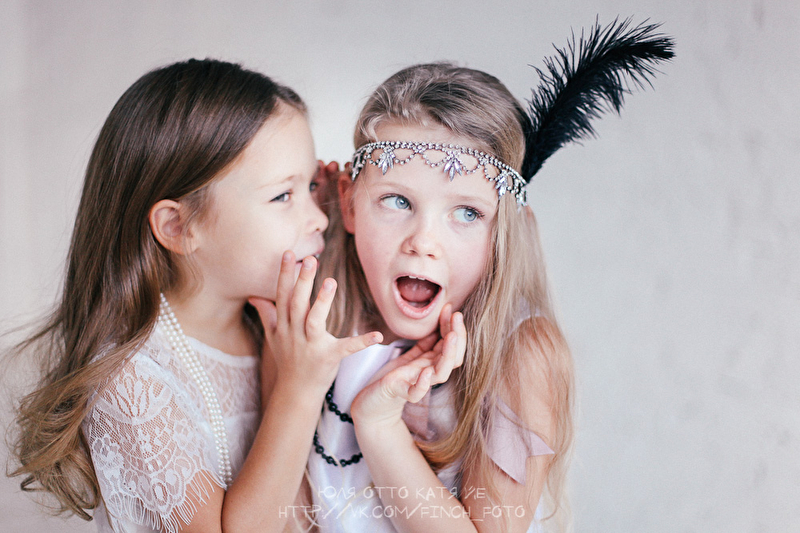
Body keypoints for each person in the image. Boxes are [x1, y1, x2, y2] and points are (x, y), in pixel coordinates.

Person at [311, 20, 674, 532]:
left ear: (505, 231)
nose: (423, 241)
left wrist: (378, 424)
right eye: (397, 201)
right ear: (349, 204)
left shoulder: (521, 356)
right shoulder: (324, 319)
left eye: (466, 212)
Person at [8, 58, 380, 533]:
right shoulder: (132, 382)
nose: (319, 219)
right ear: (179, 227)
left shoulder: (274, 332)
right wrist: (298, 389)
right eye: (282, 196)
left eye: (311, 186)